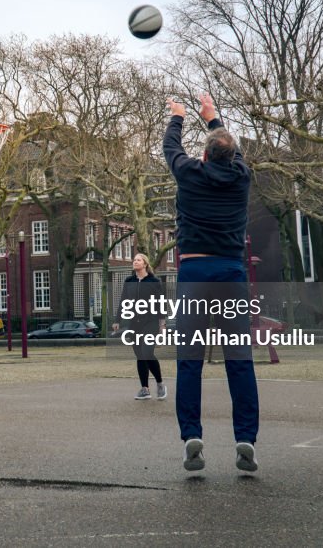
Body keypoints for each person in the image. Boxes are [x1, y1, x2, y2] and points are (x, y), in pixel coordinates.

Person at [163, 94, 259, 474]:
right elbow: (229, 152)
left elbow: (170, 147)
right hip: (231, 274)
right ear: (231, 157)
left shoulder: (189, 173)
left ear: (203, 156)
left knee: (189, 361)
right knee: (239, 360)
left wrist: (177, 117)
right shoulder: (241, 178)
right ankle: (245, 438)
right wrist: (213, 118)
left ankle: (191, 435)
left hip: (194, 274)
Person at [112, 252, 167, 400]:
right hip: (134, 324)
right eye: (134, 260)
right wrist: (117, 320)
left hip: (151, 322)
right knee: (140, 356)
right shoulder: (129, 281)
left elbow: (161, 303)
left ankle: (160, 384)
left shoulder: (154, 281)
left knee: (147, 353)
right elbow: (124, 301)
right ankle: (145, 389)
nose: (135, 262)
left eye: (138, 260)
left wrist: (162, 324)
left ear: (145, 264)